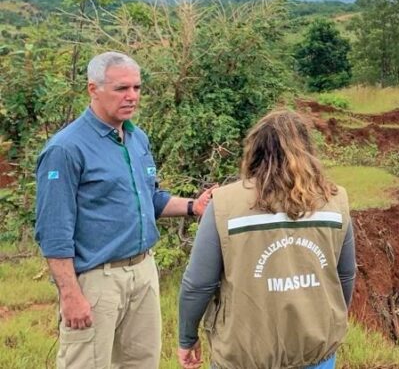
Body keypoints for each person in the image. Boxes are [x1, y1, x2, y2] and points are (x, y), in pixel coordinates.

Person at [34, 51, 214, 368]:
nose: (132, 96)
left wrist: (192, 206)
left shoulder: (135, 137)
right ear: (94, 89)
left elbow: (150, 199)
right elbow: (53, 231)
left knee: (142, 362)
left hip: (143, 271)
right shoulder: (66, 149)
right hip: (96, 279)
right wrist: (70, 295)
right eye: (121, 89)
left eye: (137, 88)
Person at [178, 109, 356, 369]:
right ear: (307, 150)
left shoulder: (224, 204)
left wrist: (187, 337)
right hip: (316, 349)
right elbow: (346, 275)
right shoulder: (334, 200)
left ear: (255, 150)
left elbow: (198, 284)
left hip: (245, 353)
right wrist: (330, 318)